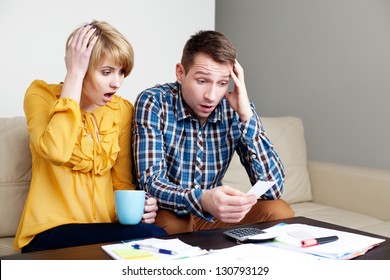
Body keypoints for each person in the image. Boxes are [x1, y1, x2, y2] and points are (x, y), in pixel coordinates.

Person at [14, 20, 167, 253]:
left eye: (121, 72)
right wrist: (74, 75)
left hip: (104, 229)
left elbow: (121, 181)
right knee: (154, 237)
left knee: (155, 238)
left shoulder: (121, 110)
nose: (116, 83)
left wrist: (142, 206)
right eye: (106, 72)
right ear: (81, 67)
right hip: (48, 232)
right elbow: (56, 151)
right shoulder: (41, 95)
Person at [133, 30, 294, 234]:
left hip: (213, 216)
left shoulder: (235, 108)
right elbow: (151, 182)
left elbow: (273, 190)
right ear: (180, 73)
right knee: (174, 224)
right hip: (171, 212)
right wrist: (202, 199)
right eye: (202, 81)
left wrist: (246, 116)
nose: (211, 96)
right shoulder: (153, 102)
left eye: (222, 83)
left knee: (279, 210)